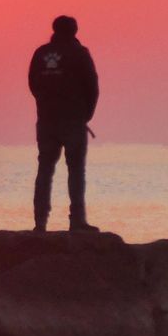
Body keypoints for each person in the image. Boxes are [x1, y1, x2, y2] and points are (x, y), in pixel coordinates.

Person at [28, 15, 99, 232]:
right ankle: (77, 221)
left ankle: (40, 223)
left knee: (45, 169)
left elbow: (33, 84)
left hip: (47, 120)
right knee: (75, 170)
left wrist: (45, 105)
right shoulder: (79, 53)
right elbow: (92, 87)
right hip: (72, 121)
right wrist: (85, 115)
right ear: (74, 31)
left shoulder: (41, 54)